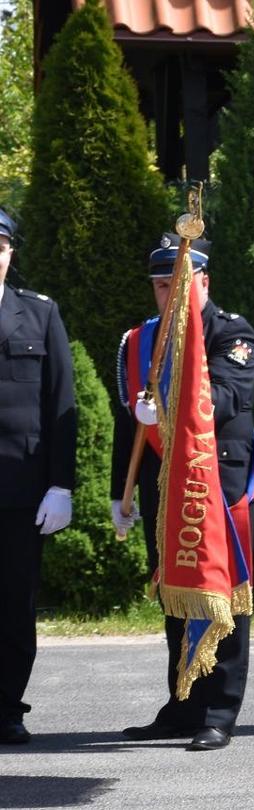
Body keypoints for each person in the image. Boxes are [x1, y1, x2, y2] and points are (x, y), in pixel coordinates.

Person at [113, 234, 254, 751]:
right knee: (176, 594)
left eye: (179, 283)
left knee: (223, 597)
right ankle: (183, 704)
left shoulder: (231, 332)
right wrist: (120, 491)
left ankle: (219, 712)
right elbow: (129, 425)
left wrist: (165, 401)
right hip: (163, 487)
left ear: (204, 282)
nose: (170, 294)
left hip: (215, 485)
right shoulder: (140, 341)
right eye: (161, 285)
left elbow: (225, 398)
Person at [0, 208, 76, 745]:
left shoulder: (40, 312)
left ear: (10, 253)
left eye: (0, 246)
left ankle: (7, 707)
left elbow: (60, 403)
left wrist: (60, 483)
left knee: (13, 603)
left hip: (19, 487)